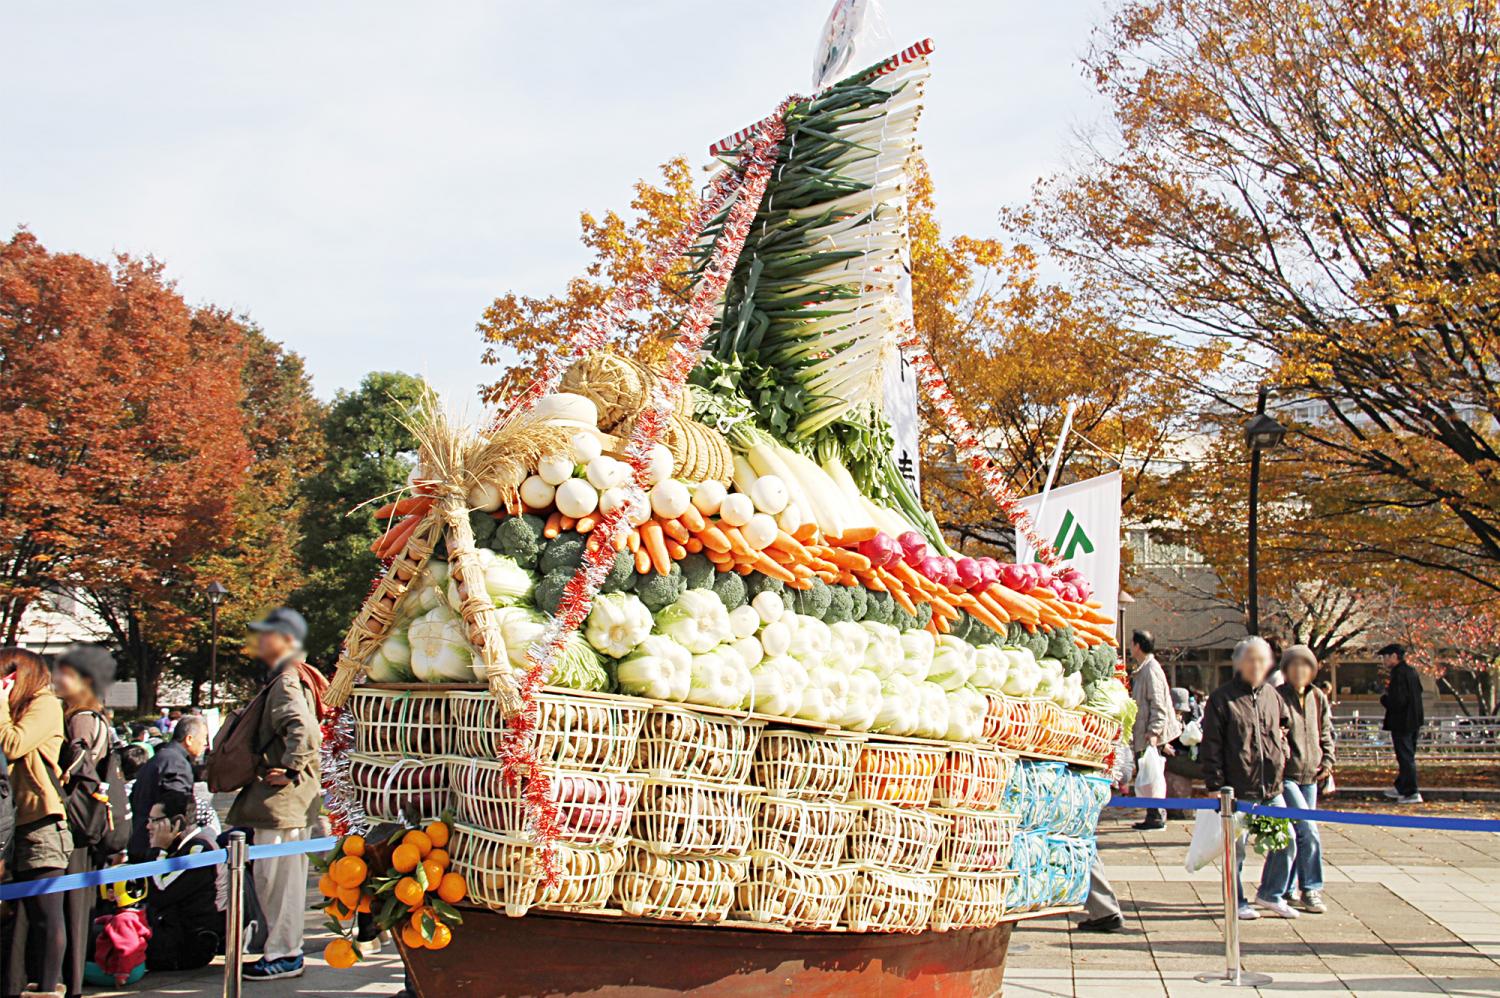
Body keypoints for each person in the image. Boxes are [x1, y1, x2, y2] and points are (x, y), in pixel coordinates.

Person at [228, 606, 324, 982]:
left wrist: (290, 768)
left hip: (282, 802)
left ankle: (284, 953)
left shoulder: (285, 679)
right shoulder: (295, 676)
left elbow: (303, 728)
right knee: (280, 878)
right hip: (289, 802)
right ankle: (283, 950)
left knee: (278, 880)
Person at [1199, 635, 1295, 920]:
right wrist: (1215, 785)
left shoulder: (1272, 695)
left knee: (1286, 839)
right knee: (1235, 852)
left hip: (1271, 787)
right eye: (1252, 659)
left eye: (1263, 659)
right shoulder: (1222, 699)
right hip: (1236, 788)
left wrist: (1283, 750)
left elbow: (1284, 725)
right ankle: (1236, 900)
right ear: (1239, 663)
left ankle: (1271, 893)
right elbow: (1211, 745)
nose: (1258, 665)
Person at [0, 648, 70, 997]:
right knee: (16, 921)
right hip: (9, 825)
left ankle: (46, 990)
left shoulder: (45, 704)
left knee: (45, 914)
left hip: (40, 821)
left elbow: (13, 745)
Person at [52, 645, 121, 998]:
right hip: (89, 824)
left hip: (77, 824)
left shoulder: (81, 718)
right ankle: (73, 978)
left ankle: (69, 980)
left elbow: (76, 773)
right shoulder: (96, 717)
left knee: (69, 909)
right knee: (76, 908)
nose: (56, 678)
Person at [1263, 645, 1335, 914]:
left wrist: (1327, 761)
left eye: (1305, 666)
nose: (1299, 671)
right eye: (1293, 666)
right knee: (1307, 831)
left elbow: (1326, 732)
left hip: (1312, 775)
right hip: (1288, 776)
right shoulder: (1278, 696)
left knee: (1300, 833)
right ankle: (1311, 888)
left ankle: (1287, 887)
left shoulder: (1318, 697)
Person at [143, 789, 225, 971]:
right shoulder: (180, 846)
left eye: (154, 821)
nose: (148, 826)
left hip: (189, 945)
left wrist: (157, 850)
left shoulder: (200, 850)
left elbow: (160, 893)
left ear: (177, 822)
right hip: (171, 933)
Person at [127, 714, 207, 861]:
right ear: (189, 739)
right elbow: (176, 807)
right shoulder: (176, 763)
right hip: (157, 844)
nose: (205, 744)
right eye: (204, 738)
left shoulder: (161, 757)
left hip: (140, 838)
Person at [1129, 629, 1181, 830]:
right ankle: (1153, 814)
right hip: (1145, 730)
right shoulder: (1145, 668)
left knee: (1153, 774)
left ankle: (1157, 815)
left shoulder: (1151, 669)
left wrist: (1154, 732)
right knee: (1149, 773)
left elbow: (1158, 704)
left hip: (1149, 733)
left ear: (1138, 646)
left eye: (1132, 643)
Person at [1378, 642, 1424, 804]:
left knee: (1405, 757)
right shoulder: (1411, 672)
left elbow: (1398, 700)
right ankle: (1401, 786)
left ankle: (1412, 791)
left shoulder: (1398, 674)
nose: (1384, 660)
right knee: (1407, 755)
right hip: (1414, 720)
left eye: (1385, 657)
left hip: (1402, 721)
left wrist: (1384, 699)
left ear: (1394, 657)